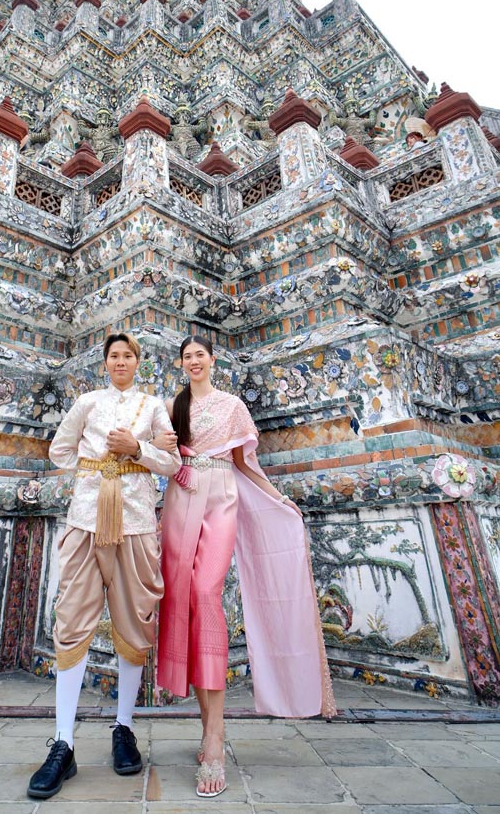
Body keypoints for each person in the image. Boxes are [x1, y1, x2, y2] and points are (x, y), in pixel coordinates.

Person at [154, 335, 336, 798]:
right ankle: (205, 726)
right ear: (180, 364)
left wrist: (279, 499)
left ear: (212, 360)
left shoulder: (232, 405)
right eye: (187, 357)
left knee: (205, 596)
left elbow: (244, 464)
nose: (194, 362)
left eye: (200, 355)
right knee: (183, 603)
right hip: (180, 497)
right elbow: (162, 456)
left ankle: (216, 739)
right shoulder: (171, 407)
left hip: (220, 499)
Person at [27, 333, 181, 800]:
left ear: (138, 362)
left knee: (135, 622)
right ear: (105, 363)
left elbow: (172, 464)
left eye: (128, 356)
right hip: (86, 521)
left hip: (135, 523)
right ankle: (64, 744)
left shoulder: (154, 405)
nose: (120, 362)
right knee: (72, 620)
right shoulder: (88, 402)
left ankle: (124, 728)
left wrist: (137, 450)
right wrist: (97, 466)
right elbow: (58, 451)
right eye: (114, 356)